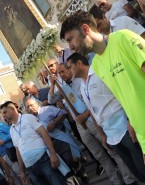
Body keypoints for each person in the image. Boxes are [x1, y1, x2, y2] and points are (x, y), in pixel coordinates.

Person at [60, 9, 145, 162]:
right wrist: (133, 122)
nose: (70, 47)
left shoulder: (123, 37)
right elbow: (125, 95)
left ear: (85, 29)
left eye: (70, 39)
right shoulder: (97, 64)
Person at [67, 52, 145, 185]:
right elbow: (93, 111)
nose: (68, 71)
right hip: (110, 134)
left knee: (142, 166)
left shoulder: (98, 73)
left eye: (69, 67)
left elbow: (121, 94)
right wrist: (102, 134)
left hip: (124, 128)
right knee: (135, 170)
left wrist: (129, 120)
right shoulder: (81, 85)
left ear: (79, 64)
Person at [0, 100, 84, 185]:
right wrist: (22, 171)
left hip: (44, 160)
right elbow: (18, 150)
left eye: (5, 112)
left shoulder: (28, 118)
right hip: (31, 168)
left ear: (12, 109)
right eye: (2, 113)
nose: (3, 115)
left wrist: (53, 154)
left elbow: (44, 133)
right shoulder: (12, 130)